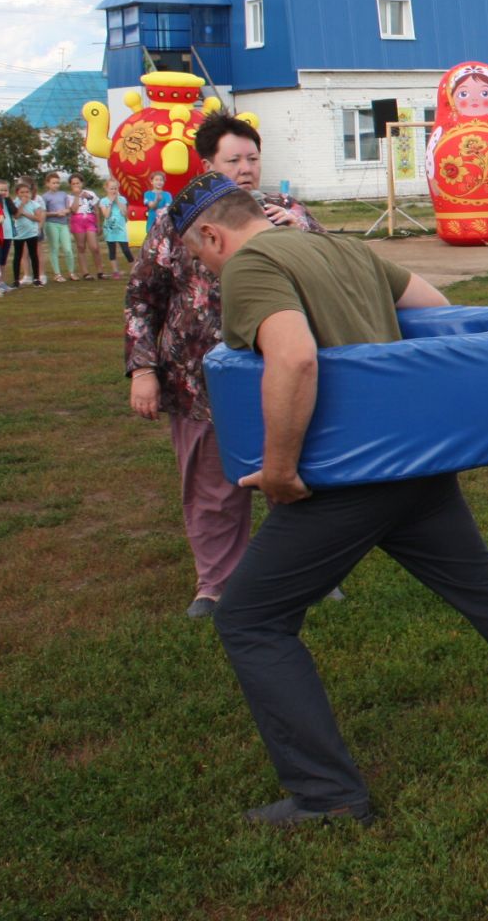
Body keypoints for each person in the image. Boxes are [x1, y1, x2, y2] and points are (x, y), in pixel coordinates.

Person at [166, 174, 488, 826]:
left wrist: (278, 471)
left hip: (346, 480)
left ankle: (328, 797)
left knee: (249, 619)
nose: (205, 269)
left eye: (198, 256)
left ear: (213, 234)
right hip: (414, 467)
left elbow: (294, 359)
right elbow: (433, 310)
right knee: (487, 590)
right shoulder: (341, 248)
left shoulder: (252, 264)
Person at [126, 113, 326, 617]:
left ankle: (308, 574)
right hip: (199, 380)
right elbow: (142, 297)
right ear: (207, 164)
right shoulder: (178, 222)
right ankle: (217, 584)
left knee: (293, 476)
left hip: (279, 371)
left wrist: (299, 231)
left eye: (252, 159)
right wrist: (144, 370)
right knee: (212, 487)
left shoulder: (289, 213)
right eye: (232, 160)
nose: (245, 169)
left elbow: (331, 271)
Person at [41, 171, 76, 281]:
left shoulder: (63, 194)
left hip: (63, 224)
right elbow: (43, 212)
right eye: (53, 183)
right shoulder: (45, 197)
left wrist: (65, 211)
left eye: (57, 183)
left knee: (68, 249)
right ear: (47, 183)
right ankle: (57, 274)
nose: (56, 185)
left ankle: (71, 272)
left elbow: (68, 208)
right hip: (51, 224)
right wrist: (55, 213)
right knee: (54, 248)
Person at [68, 175, 105, 280]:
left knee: (94, 247)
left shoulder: (90, 194)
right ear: (70, 185)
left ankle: (100, 271)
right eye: (73, 184)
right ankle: (85, 272)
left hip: (90, 219)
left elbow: (96, 209)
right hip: (77, 221)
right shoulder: (69, 197)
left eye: (78, 183)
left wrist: (98, 224)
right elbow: (74, 210)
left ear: (82, 183)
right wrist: (77, 196)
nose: (76, 185)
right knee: (81, 247)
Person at [9, 180, 45, 287]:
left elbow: (38, 218)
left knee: (34, 255)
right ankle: (16, 280)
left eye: (27, 192)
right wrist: (22, 206)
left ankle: (36, 278)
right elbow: (16, 216)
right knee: (18, 256)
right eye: (22, 192)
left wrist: (25, 213)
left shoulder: (34, 204)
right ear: (17, 193)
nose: (25, 194)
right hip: (18, 234)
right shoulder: (15, 203)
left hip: (31, 233)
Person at [100, 186, 133, 278]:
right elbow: (106, 215)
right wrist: (110, 202)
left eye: (115, 188)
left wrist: (118, 201)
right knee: (112, 250)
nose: (113, 190)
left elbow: (124, 213)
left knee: (126, 250)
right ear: (106, 189)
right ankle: (115, 271)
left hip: (121, 229)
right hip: (109, 229)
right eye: (111, 188)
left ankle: (134, 270)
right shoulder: (103, 201)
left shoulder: (122, 199)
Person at [143, 171, 172, 237]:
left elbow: (168, 207)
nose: (159, 182)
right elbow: (151, 206)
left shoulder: (167, 194)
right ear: (151, 182)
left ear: (164, 182)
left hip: (164, 224)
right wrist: (157, 200)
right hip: (152, 223)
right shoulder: (147, 194)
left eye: (161, 180)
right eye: (156, 180)